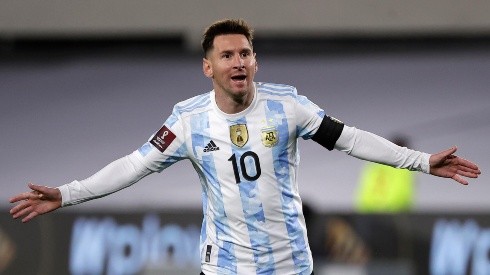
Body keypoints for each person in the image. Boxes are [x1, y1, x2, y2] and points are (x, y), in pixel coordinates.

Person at [9, 19, 481, 275]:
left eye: (245, 54)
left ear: (256, 62)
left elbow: (350, 139)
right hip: (226, 267)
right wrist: (67, 194)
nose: (239, 62)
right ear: (207, 67)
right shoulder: (188, 122)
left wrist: (421, 162)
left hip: (291, 264)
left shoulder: (288, 107)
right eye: (227, 55)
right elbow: (133, 166)